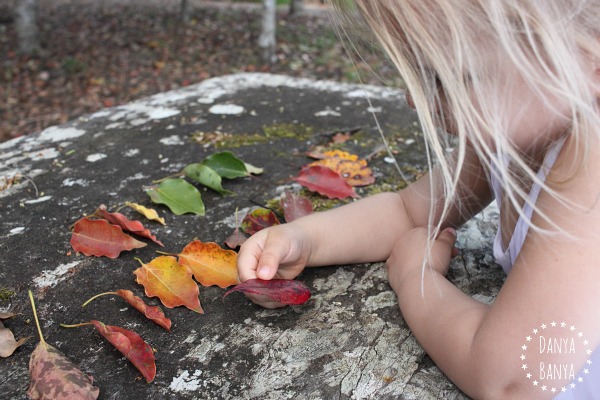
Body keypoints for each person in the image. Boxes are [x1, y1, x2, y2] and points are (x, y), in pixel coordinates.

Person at [237, 1, 600, 398]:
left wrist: (417, 278)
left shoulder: (591, 158)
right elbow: (409, 211)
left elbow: (513, 380)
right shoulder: (507, 134)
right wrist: (305, 238)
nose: (413, 98)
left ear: (589, 57)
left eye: (446, 75)